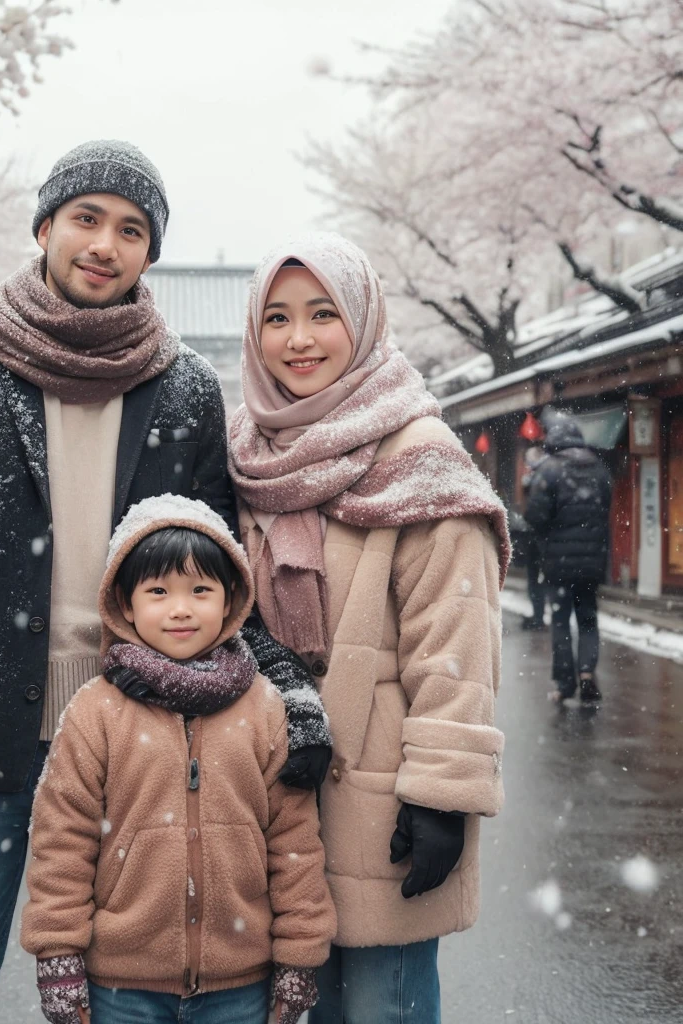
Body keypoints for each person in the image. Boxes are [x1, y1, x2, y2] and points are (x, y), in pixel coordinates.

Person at [0, 140, 330, 1024]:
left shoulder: (184, 387)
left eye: (132, 229)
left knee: (133, 991)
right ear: (45, 227)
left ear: (151, 252)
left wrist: (287, 689)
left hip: (142, 734)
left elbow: (221, 577)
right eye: (86, 219)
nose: (104, 244)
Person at [228, 234, 509, 1024]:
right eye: (277, 318)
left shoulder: (421, 459)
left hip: (382, 798)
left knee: (384, 1006)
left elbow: (455, 643)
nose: (300, 339)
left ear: (364, 319)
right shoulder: (250, 453)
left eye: (324, 314)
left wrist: (443, 798)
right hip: (275, 794)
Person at [21, 494, 336, 1024]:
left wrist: (299, 956)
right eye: (158, 591)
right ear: (125, 603)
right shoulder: (94, 712)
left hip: (239, 984)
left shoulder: (263, 708)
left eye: (200, 590)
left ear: (232, 598)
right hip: (123, 987)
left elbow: (294, 843)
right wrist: (58, 955)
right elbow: (62, 843)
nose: (181, 608)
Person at [525, 415, 612, 703]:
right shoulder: (599, 469)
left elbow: (535, 517)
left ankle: (565, 685)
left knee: (561, 620)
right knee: (588, 619)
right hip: (591, 562)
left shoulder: (548, 471)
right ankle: (587, 673)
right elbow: (606, 509)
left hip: (558, 563)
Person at [519, 445, 548, 630]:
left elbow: (534, 512)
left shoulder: (540, 479)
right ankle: (538, 614)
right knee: (538, 579)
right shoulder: (544, 476)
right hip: (542, 537)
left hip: (538, 537)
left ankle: (538, 616)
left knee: (536, 578)